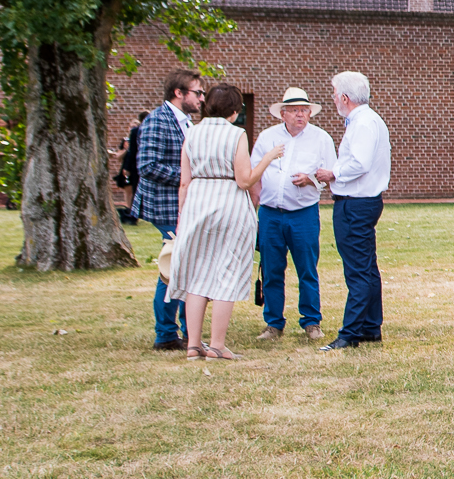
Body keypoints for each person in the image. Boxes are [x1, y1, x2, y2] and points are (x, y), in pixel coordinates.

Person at [165, 84, 286, 360]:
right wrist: (267, 158)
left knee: (196, 275)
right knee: (227, 273)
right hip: (228, 202)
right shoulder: (236, 134)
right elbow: (244, 180)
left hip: (197, 201)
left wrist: (183, 215)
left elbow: (184, 181)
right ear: (234, 110)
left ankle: (193, 345)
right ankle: (217, 345)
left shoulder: (192, 132)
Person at [253, 87, 337, 342]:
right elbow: (254, 171)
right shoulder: (267, 138)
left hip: (303, 214)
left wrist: (311, 180)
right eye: (295, 110)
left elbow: (332, 174)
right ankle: (273, 323)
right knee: (271, 269)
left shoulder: (321, 139)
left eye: (304, 110)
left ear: (310, 113)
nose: (300, 115)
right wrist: (255, 203)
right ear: (283, 114)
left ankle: (311, 321)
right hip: (270, 213)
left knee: (307, 268)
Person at [315, 71, 390, 350]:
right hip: (363, 202)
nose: (334, 98)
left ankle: (350, 333)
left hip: (355, 203)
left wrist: (331, 173)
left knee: (358, 270)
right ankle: (370, 327)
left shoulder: (363, 123)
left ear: (345, 97)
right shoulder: (368, 121)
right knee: (367, 267)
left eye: (334, 93)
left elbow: (359, 163)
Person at [134, 71, 204, 350]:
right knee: (172, 268)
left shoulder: (186, 123)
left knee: (184, 267)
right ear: (179, 93)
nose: (201, 98)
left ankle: (188, 330)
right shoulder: (157, 120)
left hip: (185, 206)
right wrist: (189, 175)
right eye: (197, 92)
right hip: (165, 207)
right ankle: (165, 334)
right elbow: (147, 166)